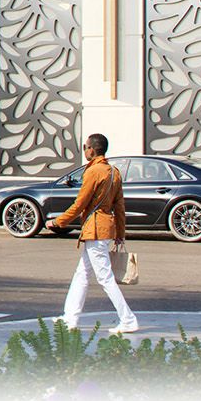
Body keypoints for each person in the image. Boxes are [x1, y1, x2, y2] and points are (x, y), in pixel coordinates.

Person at [51, 132, 138, 333]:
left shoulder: (93, 172)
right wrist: (120, 233)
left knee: (104, 278)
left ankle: (128, 319)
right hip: (105, 228)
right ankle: (70, 318)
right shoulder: (114, 172)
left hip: (96, 229)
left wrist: (58, 221)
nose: (85, 150)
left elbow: (80, 203)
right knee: (82, 274)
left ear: (92, 149)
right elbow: (120, 206)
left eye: (85, 147)